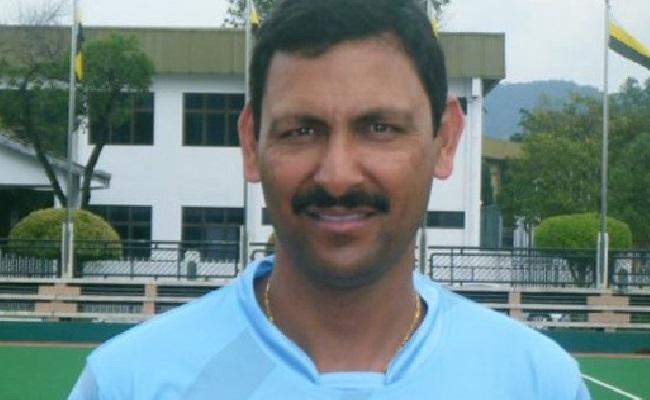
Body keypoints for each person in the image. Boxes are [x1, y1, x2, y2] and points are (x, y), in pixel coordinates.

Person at [69, 0, 591, 398]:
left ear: (446, 139)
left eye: (380, 127)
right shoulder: (129, 382)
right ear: (251, 144)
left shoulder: (536, 383)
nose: (338, 176)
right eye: (301, 130)